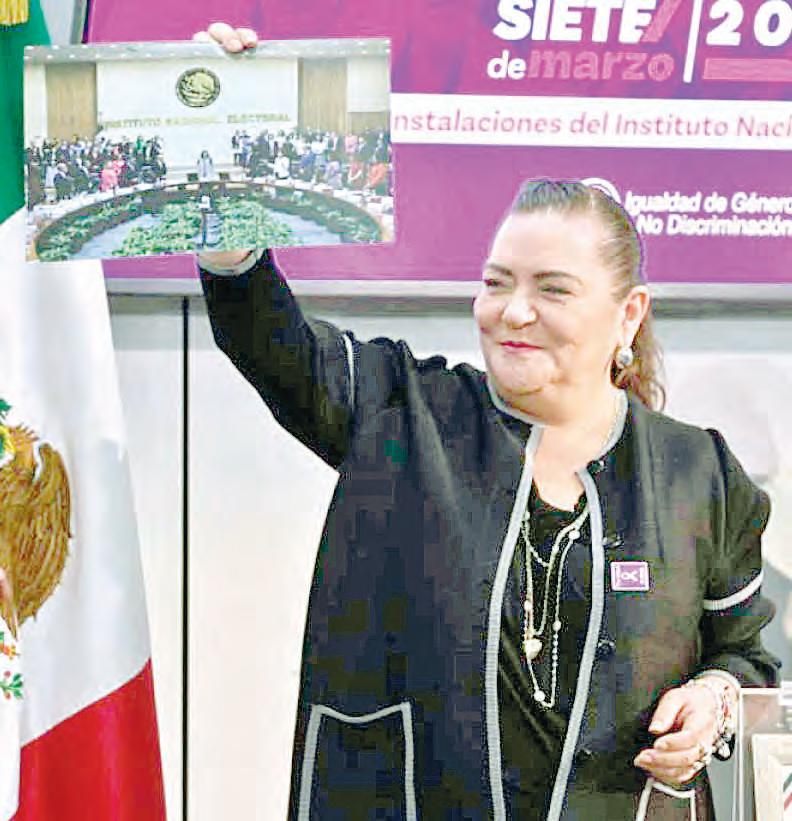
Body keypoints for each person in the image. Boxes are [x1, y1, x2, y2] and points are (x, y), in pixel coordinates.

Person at [195, 24, 781, 821]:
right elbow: (272, 344)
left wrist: (714, 699)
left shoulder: (698, 474)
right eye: (496, 281)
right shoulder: (402, 409)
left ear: (628, 314)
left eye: (552, 288)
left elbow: (746, 654)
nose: (513, 311)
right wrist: (228, 174)